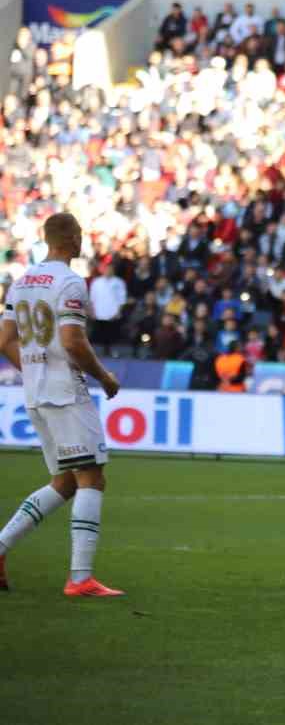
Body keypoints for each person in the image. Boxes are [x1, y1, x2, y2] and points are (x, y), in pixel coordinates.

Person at [0, 212, 125, 597]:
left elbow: (5, 339)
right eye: (81, 233)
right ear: (70, 237)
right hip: (66, 392)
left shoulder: (20, 283)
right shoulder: (70, 281)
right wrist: (104, 377)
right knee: (92, 477)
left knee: (65, 482)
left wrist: (34, 369)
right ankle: (80, 578)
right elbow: (72, 341)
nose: (82, 238)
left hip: (37, 393)